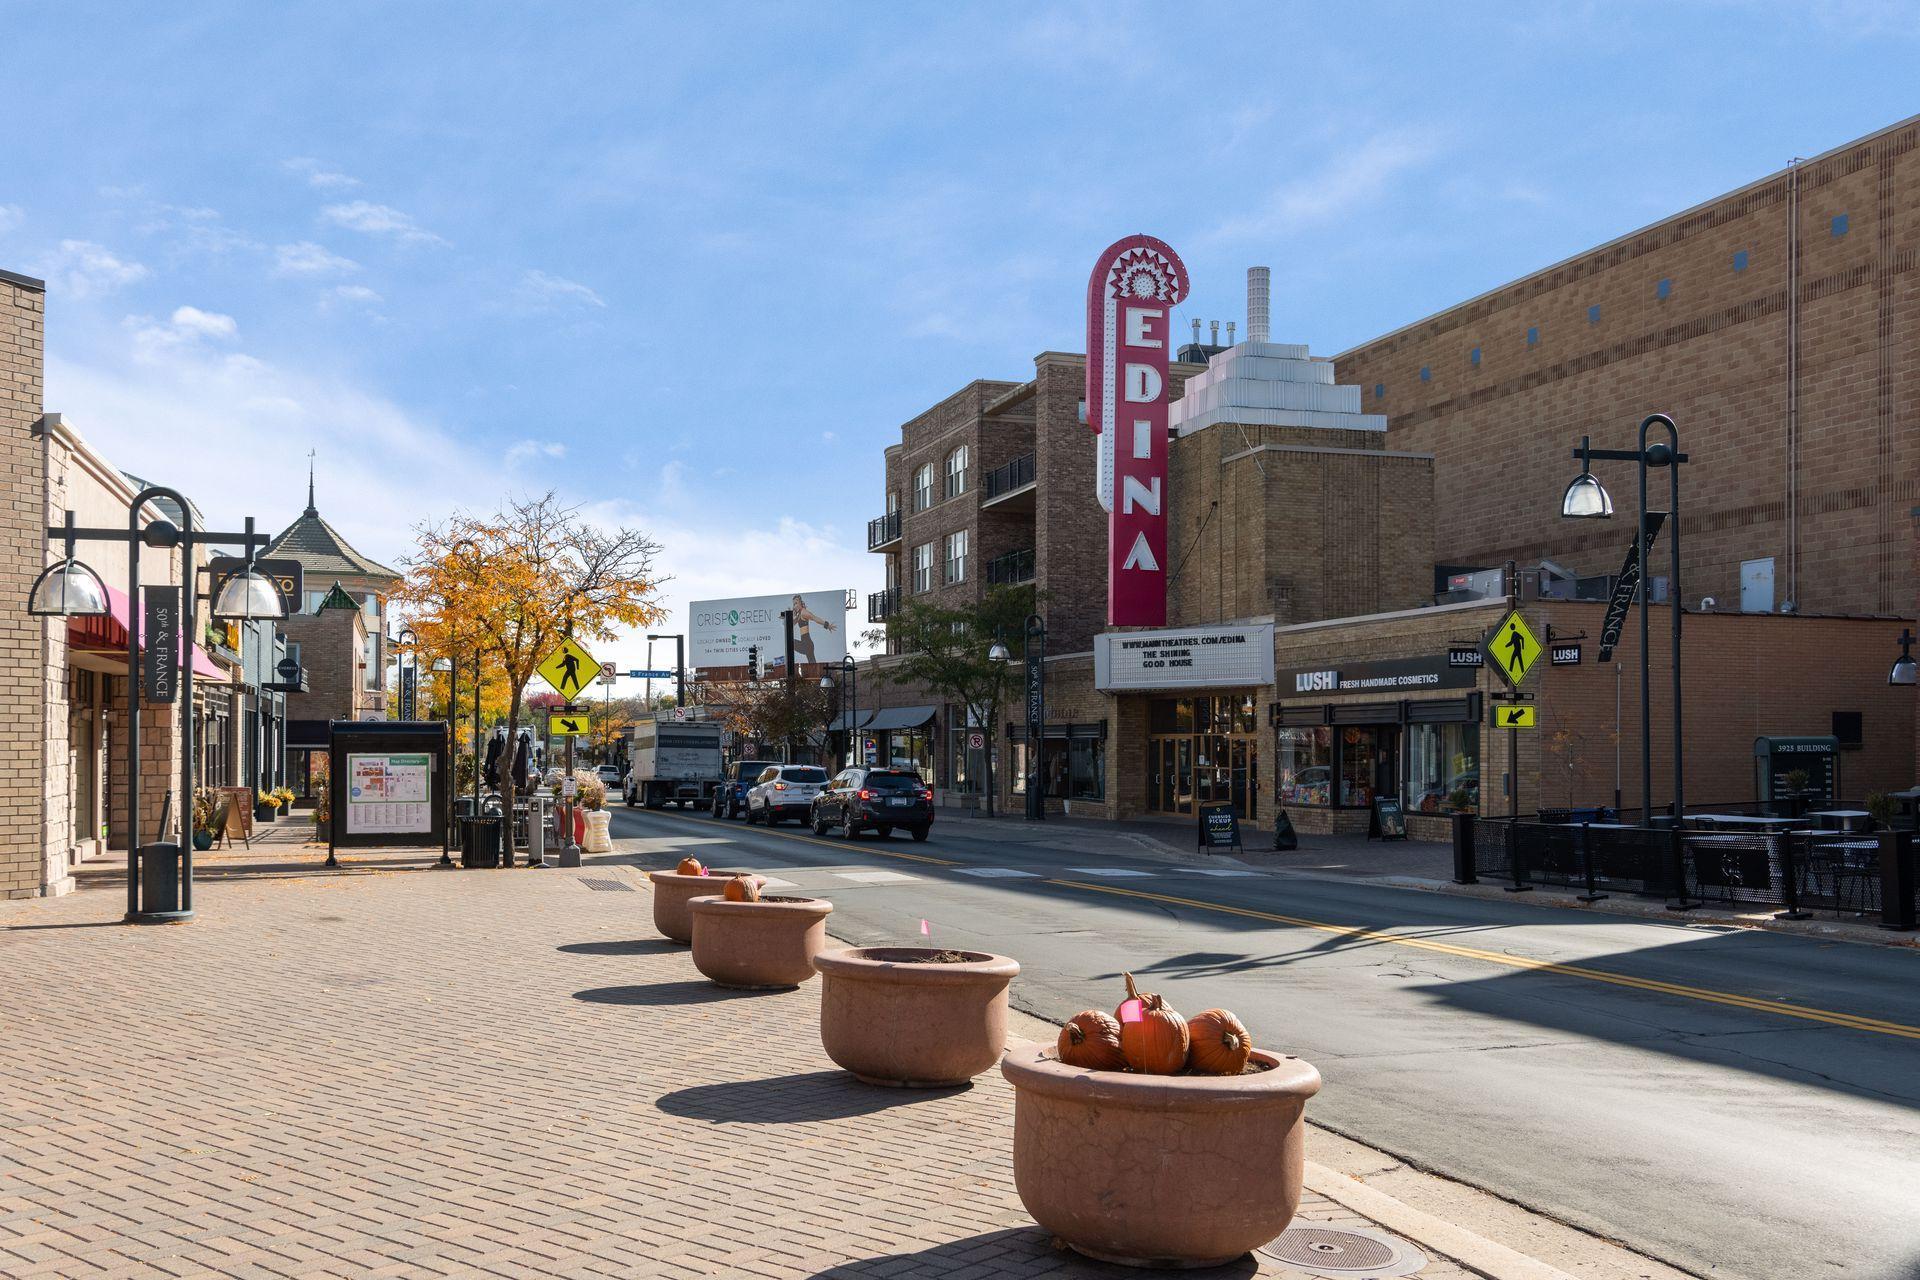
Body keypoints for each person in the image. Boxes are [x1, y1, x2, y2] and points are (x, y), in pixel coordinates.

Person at [788, 594, 837, 666]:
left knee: (789, 642)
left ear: (800, 602)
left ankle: (789, 665)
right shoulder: (799, 614)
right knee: (813, 665)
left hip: (807, 644)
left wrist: (827, 625)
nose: (795, 606)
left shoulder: (804, 612)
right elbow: (791, 624)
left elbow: (814, 618)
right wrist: (791, 615)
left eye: (796, 603)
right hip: (807, 644)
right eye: (794, 604)